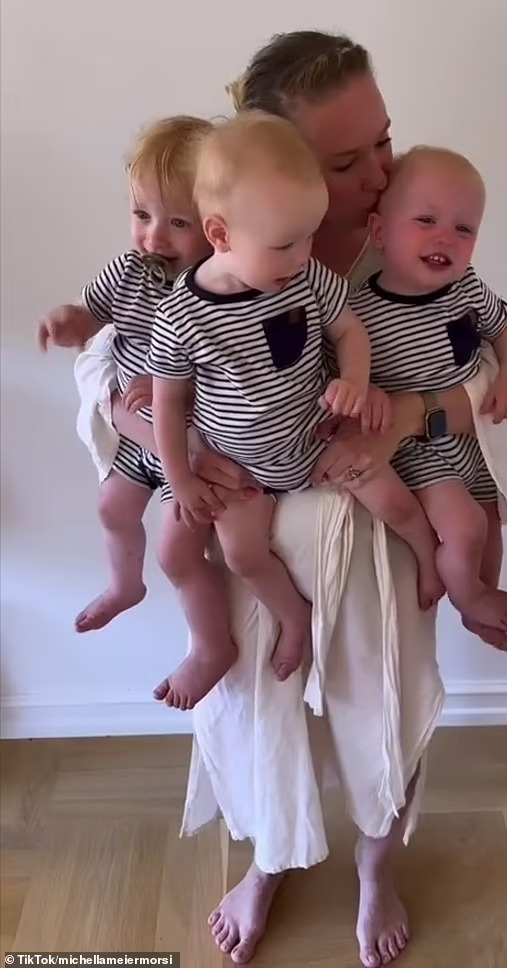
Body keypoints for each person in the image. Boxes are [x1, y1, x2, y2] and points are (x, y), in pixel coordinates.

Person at [74, 30, 507, 968]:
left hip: (379, 536)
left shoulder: (420, 235)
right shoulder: (207, 250)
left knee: (383, 701)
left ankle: (376, 869)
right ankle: (269, 857)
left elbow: (486, 367)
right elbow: (113, 361)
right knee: (258, 706)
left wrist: (410, 415)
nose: (378, 173)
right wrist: (148, 425)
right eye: (345, 161)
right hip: (257, 530)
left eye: (383, 141)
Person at [147, 111, 376, 685]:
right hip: (240, 467)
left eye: (309, 238)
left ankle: (447, 573)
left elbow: (351, 331)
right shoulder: (181, 316)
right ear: (220, 235)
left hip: (313, 442)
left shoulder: (306, 277)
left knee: (394, 498)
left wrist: (354, 380)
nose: (302, 256)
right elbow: (168, 405)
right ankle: (293, 616)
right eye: (284, 244)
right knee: (241, 554)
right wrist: (181, 478)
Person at [38, 116, 238, 711]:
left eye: (177, 222)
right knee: (111, 508)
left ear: (217, 223)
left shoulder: (222, 287)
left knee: (179, 551)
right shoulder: (129, 271)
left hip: (192, 442)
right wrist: (70, 321)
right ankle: (124, 585)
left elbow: (233, 369)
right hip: (137, 435)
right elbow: (93, 316)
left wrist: (172, 380)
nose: (153, 236)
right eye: (141, 214)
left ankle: (212, 648)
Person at [350, 145, 507, 650]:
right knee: (466, 526)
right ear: (380, 232)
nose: (444, 238)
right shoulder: (358, 311)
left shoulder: (466, 288)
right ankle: (467, 596)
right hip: (413, 451)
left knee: (489, 521)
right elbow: (341, 371)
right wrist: (367, 393)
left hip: (471, 440)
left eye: (463, 228)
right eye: (426, 220)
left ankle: (480, 598)